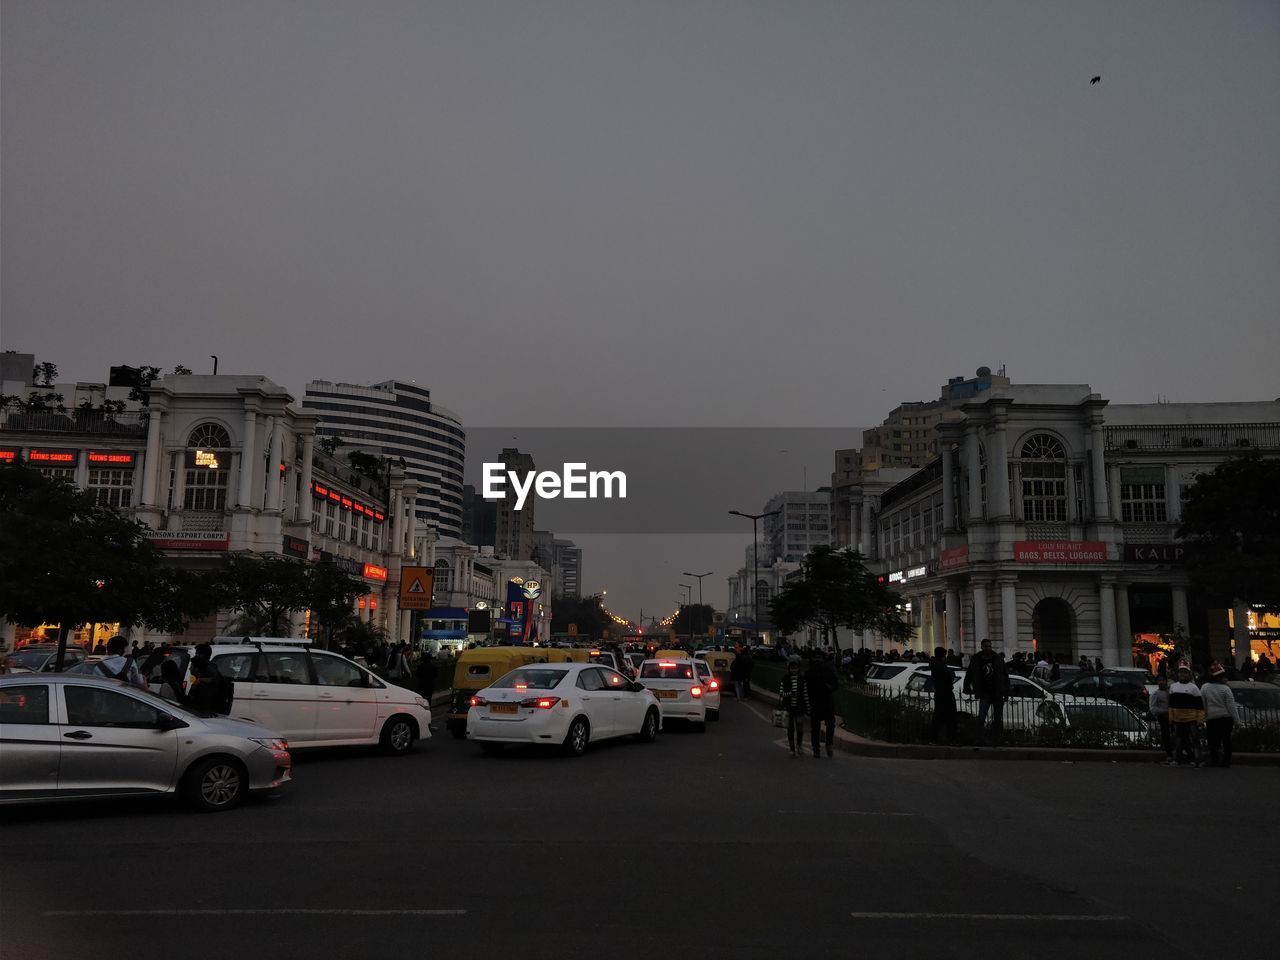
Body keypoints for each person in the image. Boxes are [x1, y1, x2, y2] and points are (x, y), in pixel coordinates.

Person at [963, 639, 1009, 746]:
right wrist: (967, 687)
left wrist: (1005, 692)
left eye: (990, 646)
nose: (988, 648)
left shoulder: (998, 659)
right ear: (982, 647)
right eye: (986, 646)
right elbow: (969, 673)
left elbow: (1005, 676)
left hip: (997, 692)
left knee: (997, 719)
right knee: (981, 717)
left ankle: (996, 739)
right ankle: (979, 739)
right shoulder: (976, 659)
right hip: (984, 693)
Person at [1201, 663, 1239, 768]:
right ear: (1218, 677)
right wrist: (1237, 721)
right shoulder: (1225, 689)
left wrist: (1204, 717)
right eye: (1223, 676)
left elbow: (1203, 704)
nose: (1226, 678)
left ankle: (1214, 760)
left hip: (1212, 719)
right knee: (1226, 740)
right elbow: (1231, 707)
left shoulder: (1204, 687)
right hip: (1226, 718)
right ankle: (1226, 761)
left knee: (1213, 741)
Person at [1168, 661, 1205, 767]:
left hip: (1191, 718)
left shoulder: (1193, 688)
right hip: (1178, 719)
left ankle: (1197, 760)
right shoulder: (1173, 687)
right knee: (1178, 740)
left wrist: (1200, 719)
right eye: (1181, 672)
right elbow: (1171, 705)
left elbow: (1199, 705)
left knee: (1195, 740)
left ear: (1189, 674)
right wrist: (1171, 718)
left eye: (1185, 672)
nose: (1182, 675)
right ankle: (1177, 759)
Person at [806, 652, 838, 758]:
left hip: (820, 701)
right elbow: (836, 684)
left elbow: (835, 684)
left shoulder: (812, 671)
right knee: (827, 725)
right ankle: (824, 745)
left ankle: (819, 747)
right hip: (822, 701)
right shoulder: (816, 671)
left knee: (818, 726)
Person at [778, 656, 809, 757]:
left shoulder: (802, 679)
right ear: (789, 668)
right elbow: (781, 694)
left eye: (796, 668)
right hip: (788, 707)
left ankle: (799, 745)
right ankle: (792, 748)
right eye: (792, 668)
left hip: (799, 707)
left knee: (800, 728)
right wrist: (791, 694)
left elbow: (805, 694)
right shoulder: (785, 679)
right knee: (790, 728)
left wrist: (808, 708)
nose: (794, 670)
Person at [186, 643, 226, 714]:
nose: (196, 656)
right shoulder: (205, 669)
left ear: (202, 655)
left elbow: (215, 679)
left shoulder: (209, 668)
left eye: (197, 653)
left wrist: (200, 680)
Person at [929, 646, 958, 745]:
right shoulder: (939, 665)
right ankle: (949, 738)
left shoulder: (935, 664)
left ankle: (937, 738)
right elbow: (949, 675)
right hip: (944, 693)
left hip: (941, 692)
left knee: (939, 716)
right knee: (949, 716)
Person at [1149, 674, 1172, 763]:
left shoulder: (1170, 692)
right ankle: (1169, 754)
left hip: (1173, 716)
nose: (1161, 682)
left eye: (1163, 680)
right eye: (1159, 680)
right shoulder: (1155, 694)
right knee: (1166, 735)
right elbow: (1153, 708)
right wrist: (1165, 711)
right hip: (1163, 717)